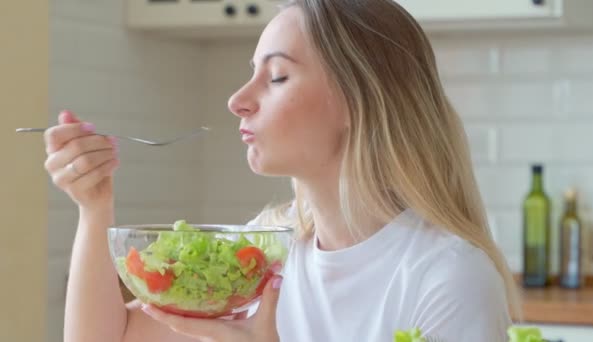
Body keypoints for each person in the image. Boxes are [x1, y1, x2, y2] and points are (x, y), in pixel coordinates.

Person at [45, 1, 519, 341]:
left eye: (276, 77)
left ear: (358, 100)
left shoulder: (448, 279)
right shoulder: (265, 252)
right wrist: (94, 206)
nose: (237, 100)